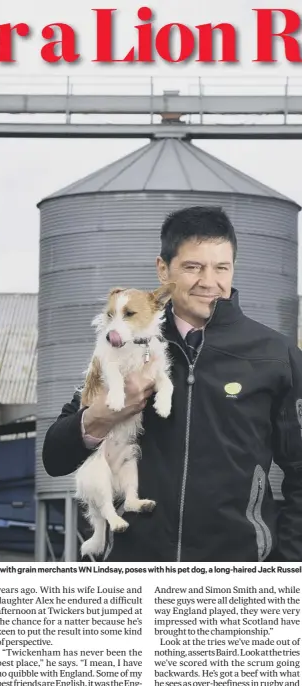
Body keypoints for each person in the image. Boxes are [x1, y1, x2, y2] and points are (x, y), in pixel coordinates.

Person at [42, 206, 302, 562]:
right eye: (193, 267)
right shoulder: (123, 346)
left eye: (221, 268)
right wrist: (99, 416)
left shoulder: (274, 354)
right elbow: (54, 456)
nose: (208, 281)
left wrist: (288, 566)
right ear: (163, 270)